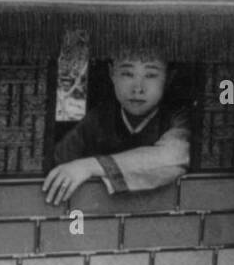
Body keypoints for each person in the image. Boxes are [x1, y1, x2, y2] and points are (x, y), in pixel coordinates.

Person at [42, 48, 191, 206]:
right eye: (127, 74)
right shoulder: (97, 118)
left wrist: (89, 166)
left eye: (151, 75)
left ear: (168, 78)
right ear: (112, 74)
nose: (138, 88)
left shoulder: (177, 119)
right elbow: (60, 160)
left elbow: (173, 156)